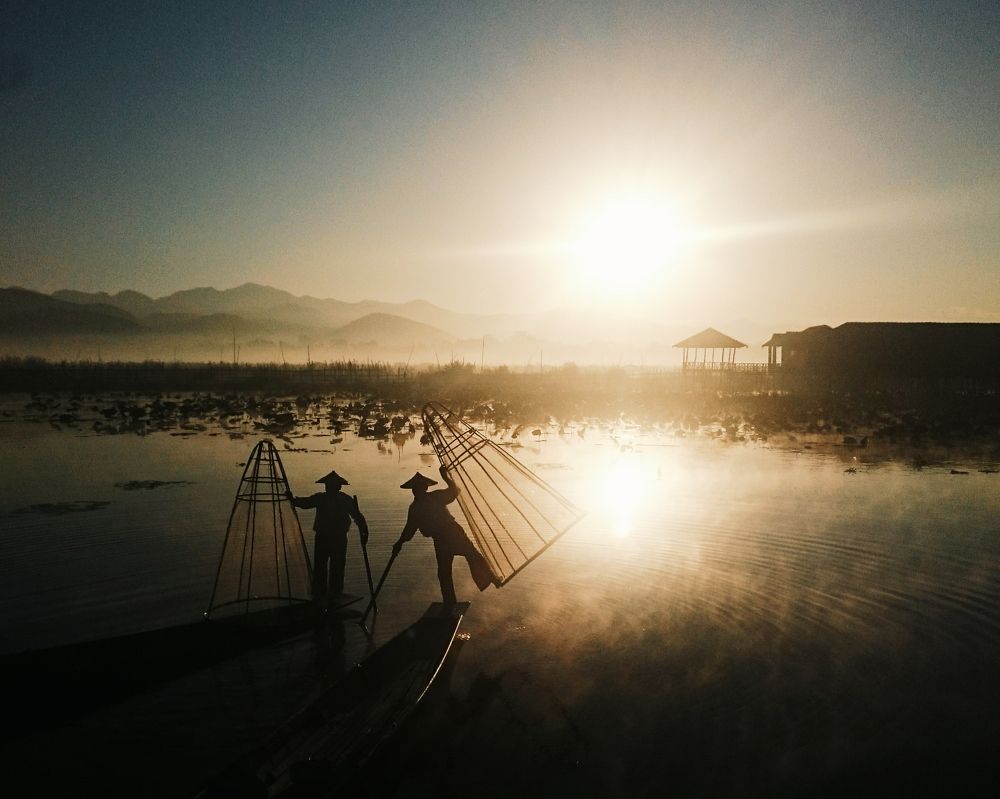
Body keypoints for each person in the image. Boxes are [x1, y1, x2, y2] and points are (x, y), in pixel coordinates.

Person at [392, 465, 498, 606]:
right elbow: (409, 530)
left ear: (424, 488)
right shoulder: (415, 508)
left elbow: (455, 491)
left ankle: (492, 578)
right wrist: (399, 542)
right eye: (414, 488)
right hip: (441, 539)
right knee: (444, 573)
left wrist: (445, 477)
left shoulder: (435, 497)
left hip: (452, 533)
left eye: (418, 488)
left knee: (473, 555)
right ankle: (450, 602)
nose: (415, 491)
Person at [287, 469, 367, 605]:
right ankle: (321, 595)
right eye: (329, 486)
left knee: (336, 566)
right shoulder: (322, 498)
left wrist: (364, 532)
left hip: (338, 538)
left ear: (338, 487)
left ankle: (333, 595)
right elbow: (305, 503)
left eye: (332, 486)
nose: (330, 488)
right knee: (321, 566)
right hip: (324, 537)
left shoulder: (343, 500)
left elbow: (358, 517)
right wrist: (292, 499)